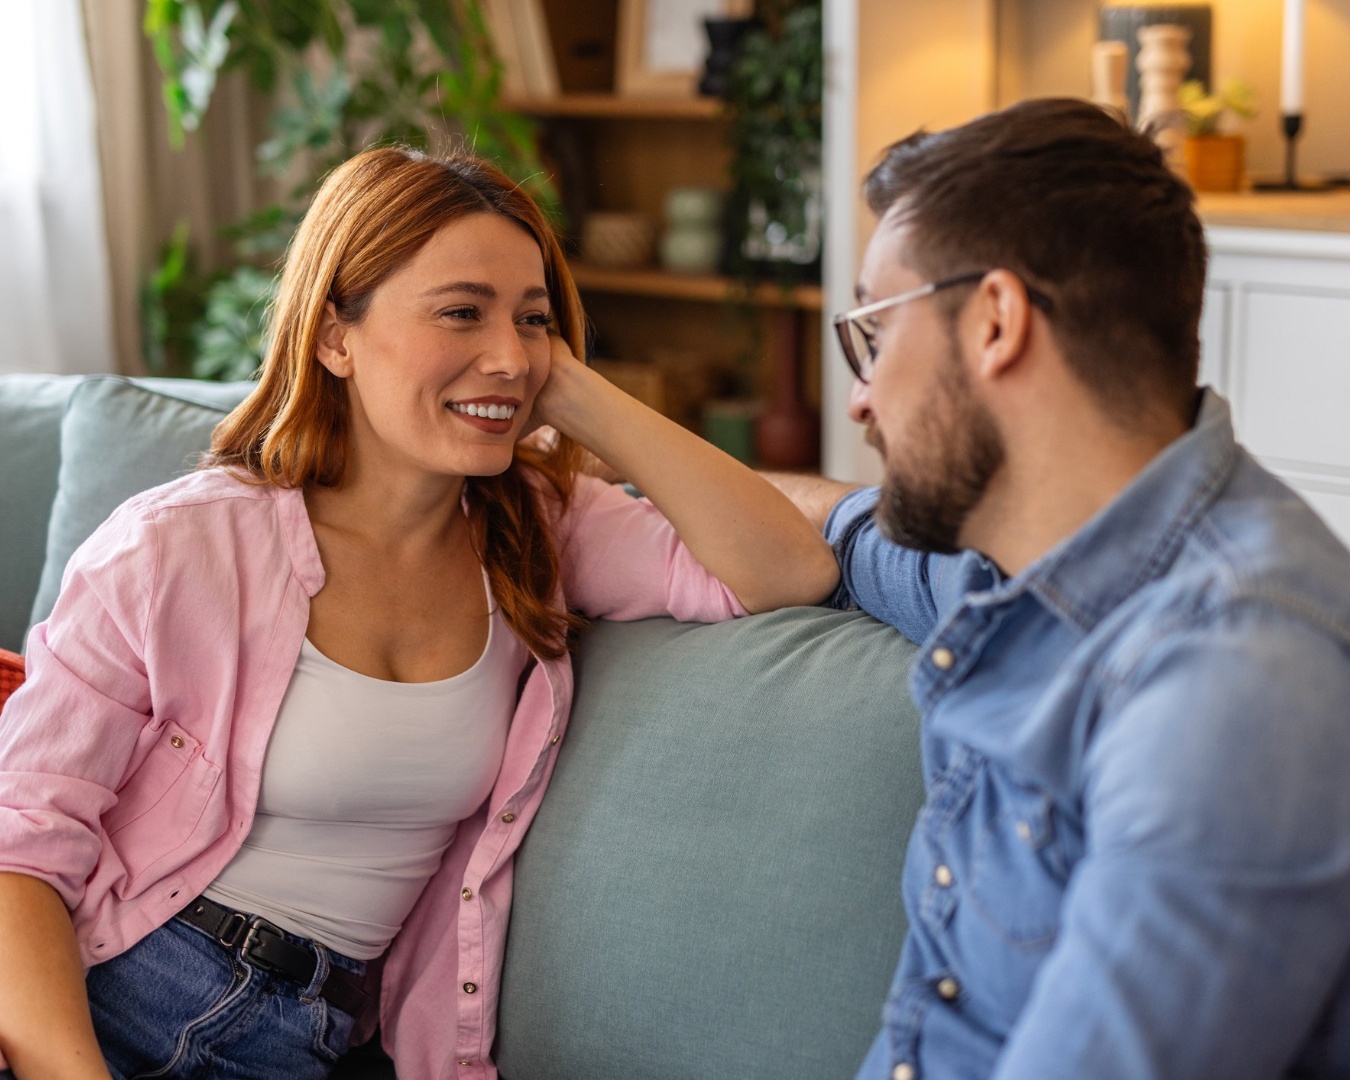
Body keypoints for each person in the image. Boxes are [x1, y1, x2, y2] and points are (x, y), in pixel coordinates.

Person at [0, 146, 840, 1080]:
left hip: (302, 1042)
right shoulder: (177, 546)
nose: (511, 354)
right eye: (460, 312)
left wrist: (576, 393)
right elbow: (20, 848)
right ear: (335, 337)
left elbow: (786, 569)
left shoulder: (541, 533)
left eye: (534, 320)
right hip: (101, 997)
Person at [779, 98, 1350, 1078]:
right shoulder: (1015, 566)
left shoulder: (1236, 678)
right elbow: (828, 526)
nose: (861, 397)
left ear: (997, 321)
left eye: (875, 330)